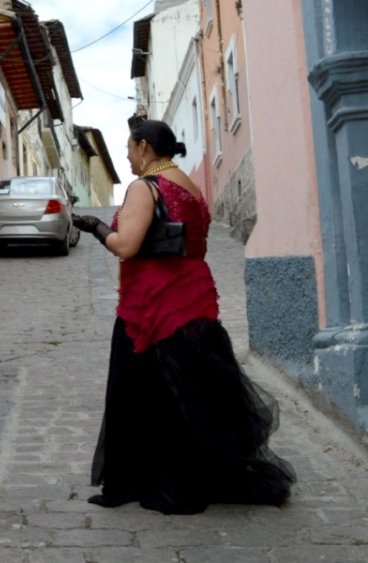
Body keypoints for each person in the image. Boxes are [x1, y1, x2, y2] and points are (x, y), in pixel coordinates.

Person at [73, 120, 295, 515]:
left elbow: (126, 246)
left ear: (144, 147)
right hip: (194, 295)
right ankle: (195, 475)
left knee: (143, 393)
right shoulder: (191, 187)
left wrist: (96, 227)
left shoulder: (145, 187)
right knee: (192, 393)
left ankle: (159, 483)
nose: (126, 155)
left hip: (153, 302)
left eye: (128, 147)